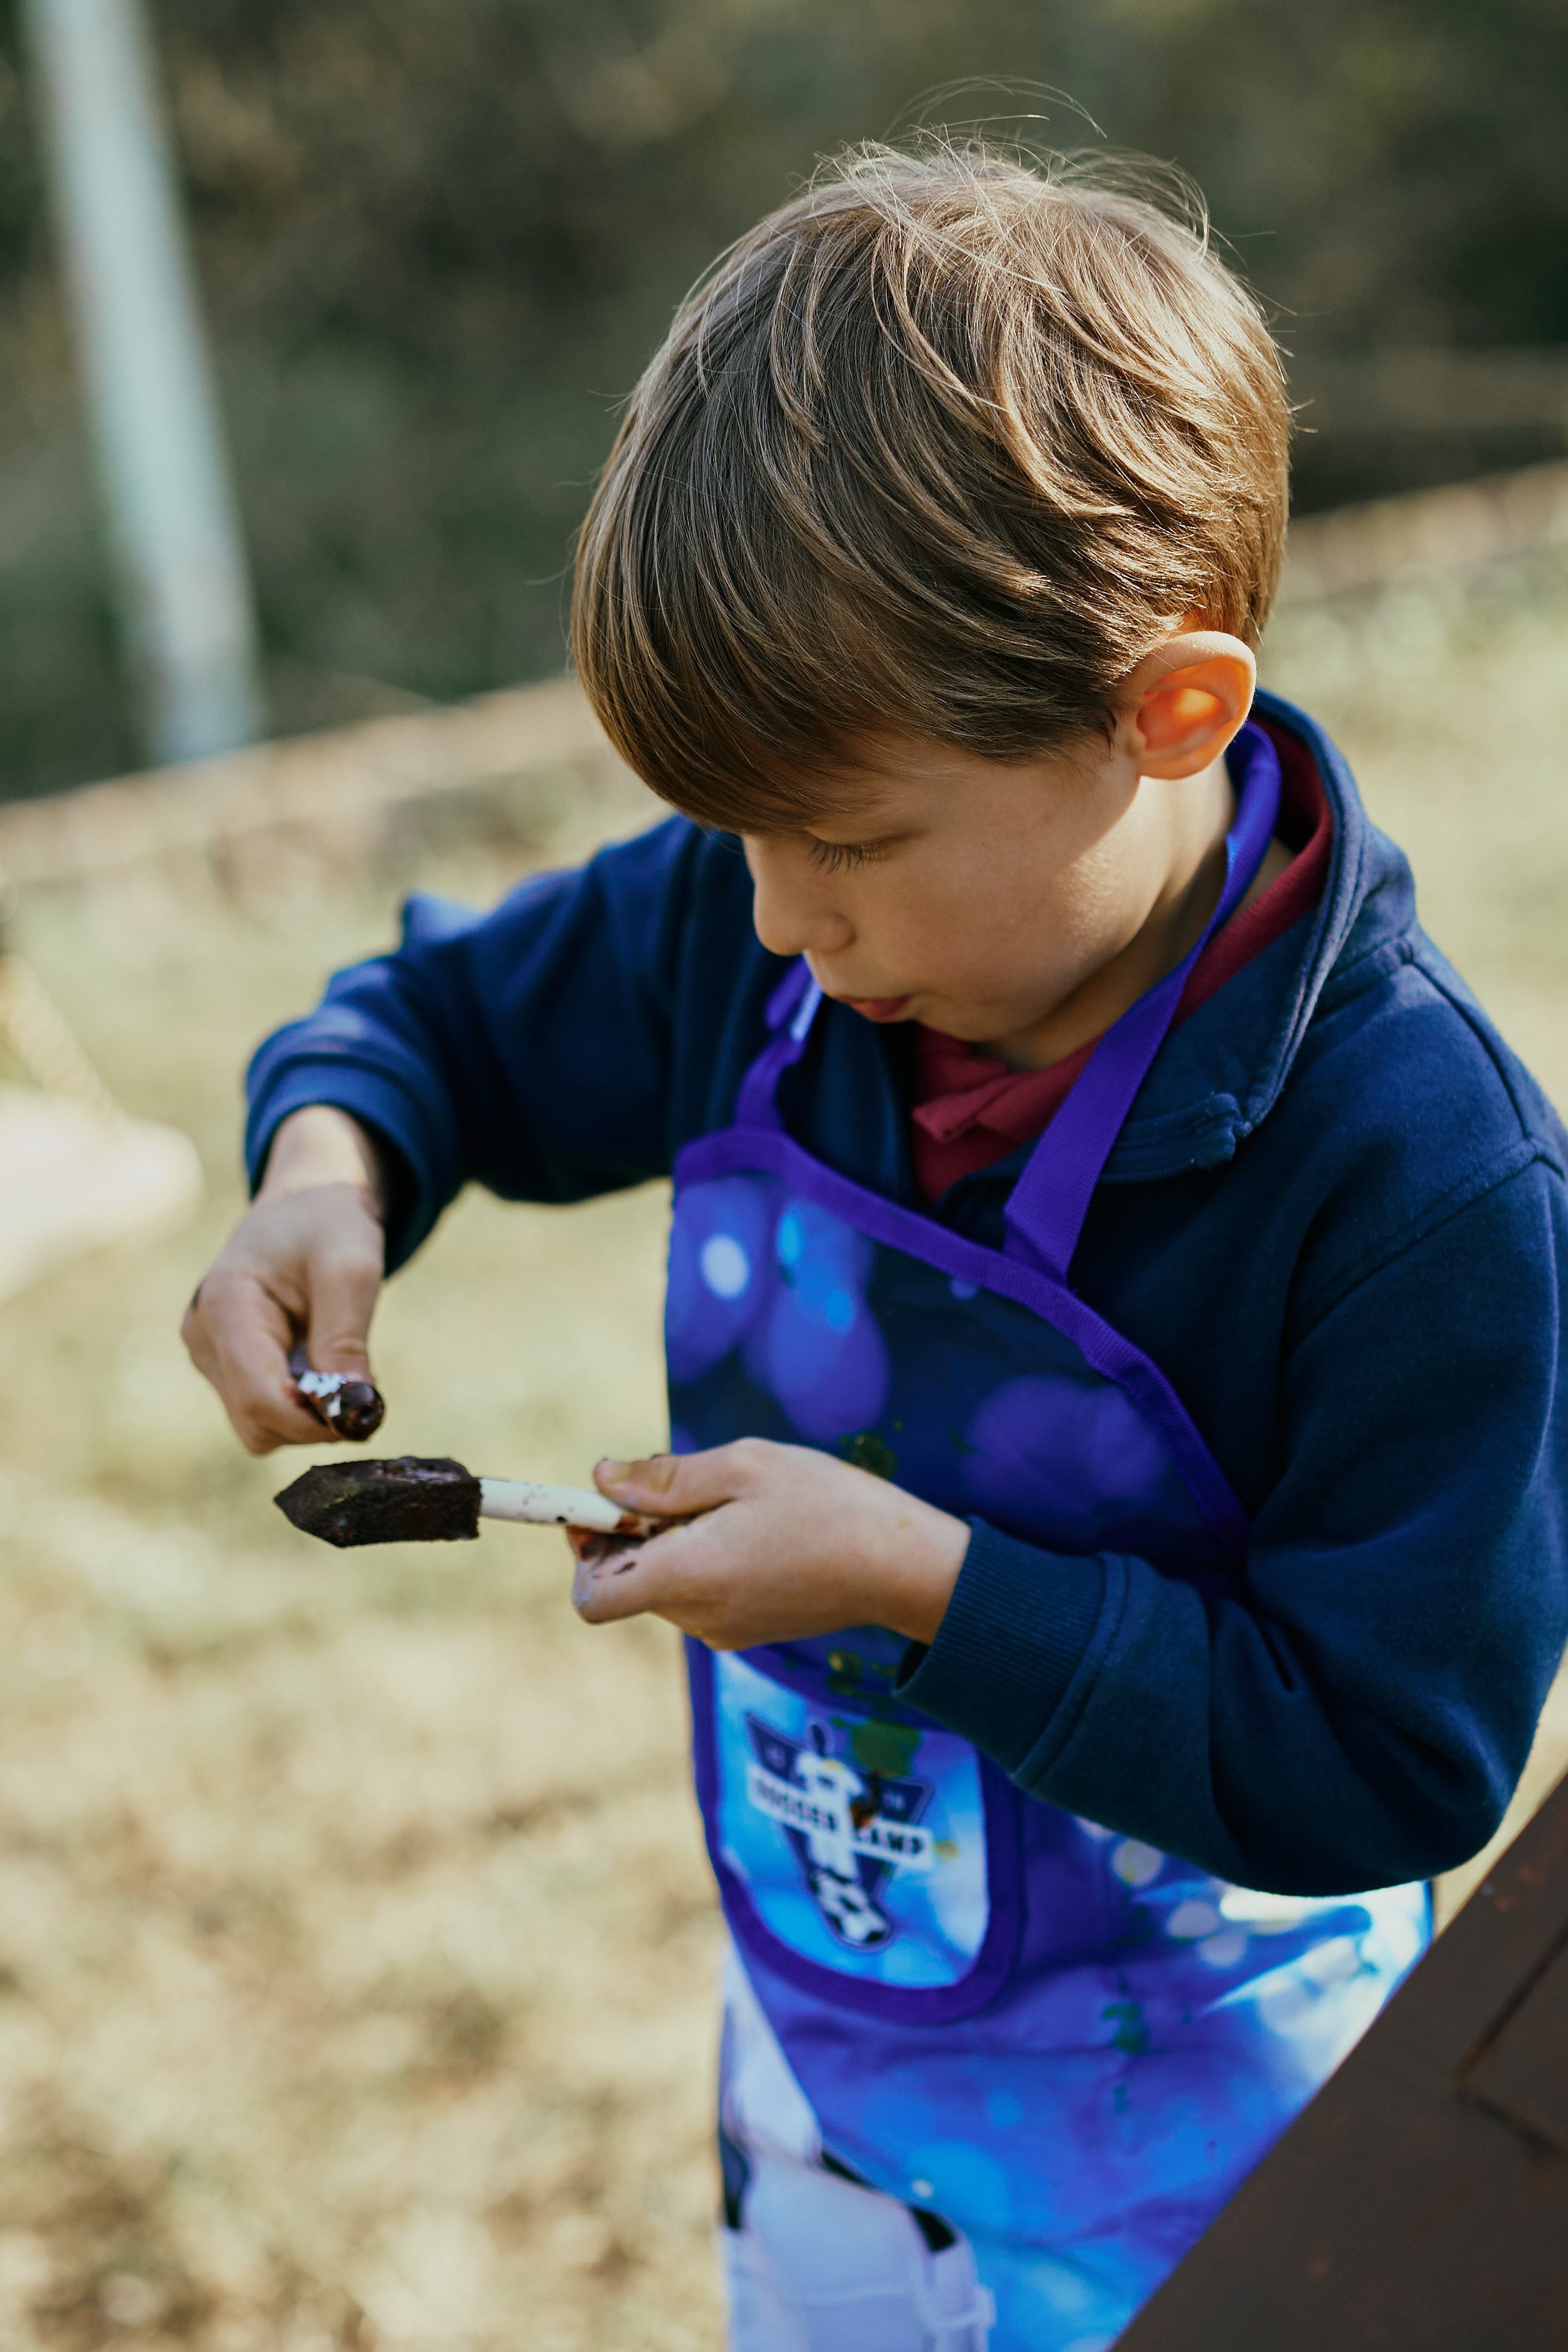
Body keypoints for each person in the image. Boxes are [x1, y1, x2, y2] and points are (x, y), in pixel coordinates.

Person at [182, 141, 1568, 2351]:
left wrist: (921, 1587)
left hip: (1214, 2170)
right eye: (728, 838)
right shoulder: (788, 951)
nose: (771, 923)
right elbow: (426, 1023)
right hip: (834, 2061)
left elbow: (1395, 1758)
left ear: (1170, 713)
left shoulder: (1421, 1185)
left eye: (845, 841)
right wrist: (325, 1176)